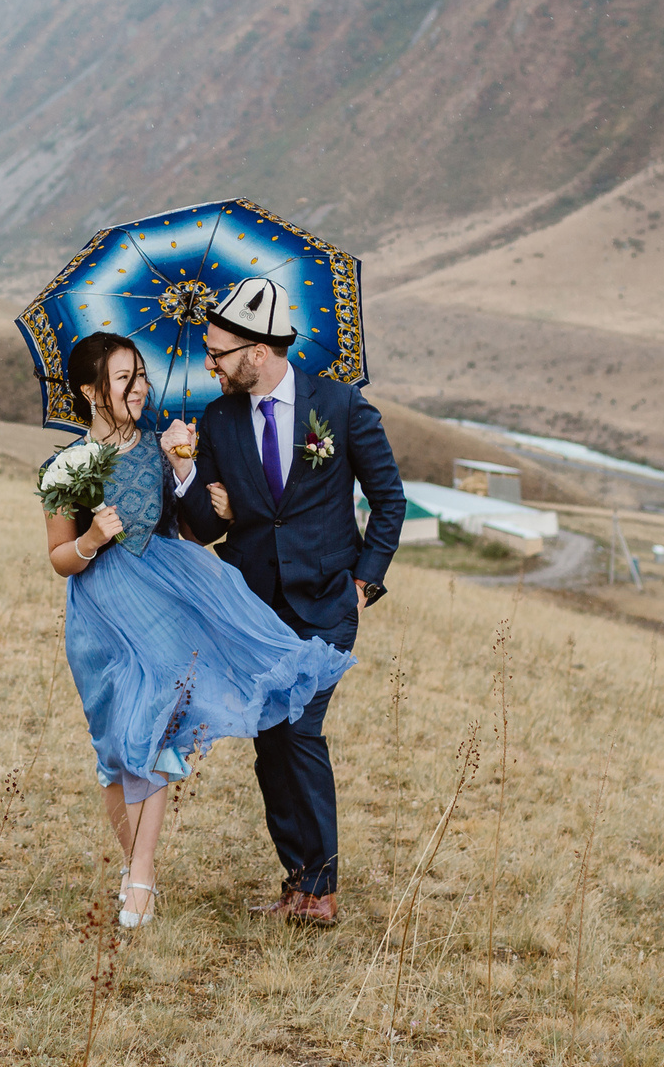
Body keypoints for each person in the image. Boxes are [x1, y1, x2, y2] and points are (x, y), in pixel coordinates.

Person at [44, 330, 353, 928]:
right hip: (101, 613)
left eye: (140, 374)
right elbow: (59, 555)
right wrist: (90, 539)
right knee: (114, 746)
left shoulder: (163, 448)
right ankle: (136, 867)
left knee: (152, 729)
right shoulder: (67, 467)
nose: (138, 388)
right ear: (88, 391)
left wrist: (204, 489)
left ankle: (141, 876)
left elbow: (188, 530)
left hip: (166, 600)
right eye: (122, 379)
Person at [168, 274, 405, 925]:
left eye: (218, 353)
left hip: (327, 603)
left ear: (259, 349)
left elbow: (390, 501)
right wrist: (186, 467)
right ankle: (297, 882)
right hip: (250, 611)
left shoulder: (340, 406)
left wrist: (365, 583)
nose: (209, 363)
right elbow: (209, 527)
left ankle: (322, 888)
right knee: (269, 740)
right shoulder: (215, 420)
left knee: (299, 727)